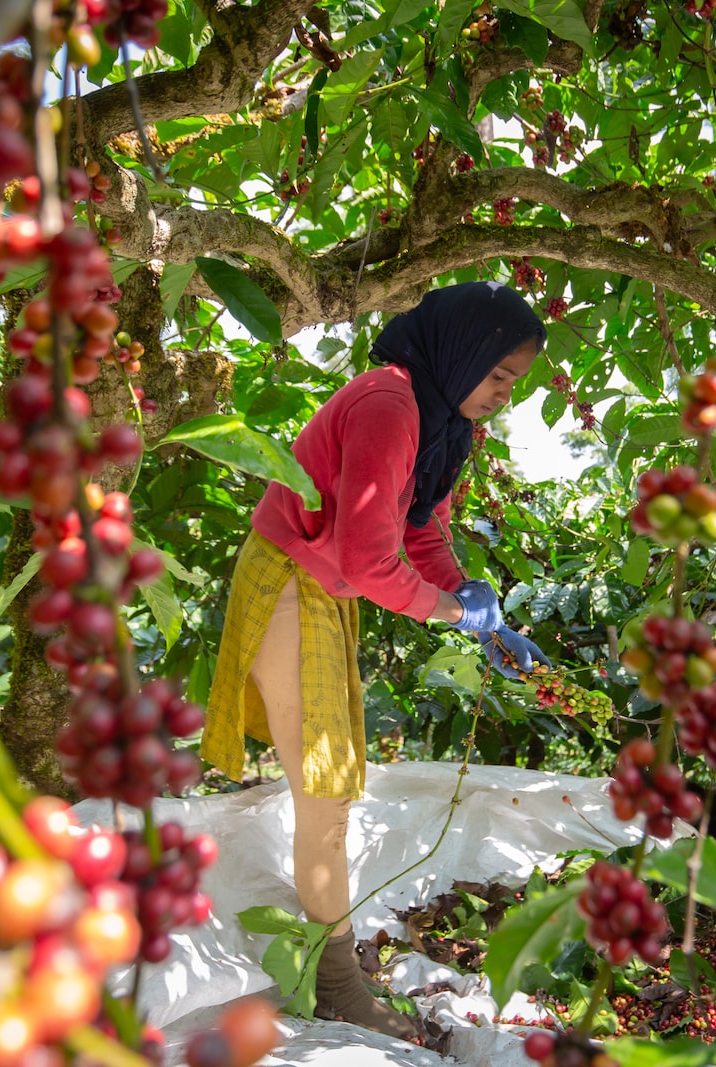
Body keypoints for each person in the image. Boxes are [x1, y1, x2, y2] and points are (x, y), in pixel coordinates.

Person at [200, 280, 552, 1037]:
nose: (502, 396)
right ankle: (336, 984)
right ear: (464, 353)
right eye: (499, 376)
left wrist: (474, 603)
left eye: (512, 384)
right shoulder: (391, 406)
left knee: (331, 788)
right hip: (295, 578)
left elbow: (418, 532)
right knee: (325, 796)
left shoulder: (441, 424)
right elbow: (366, 558)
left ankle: (335, 953)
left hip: (324, 586)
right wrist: (453, 610)